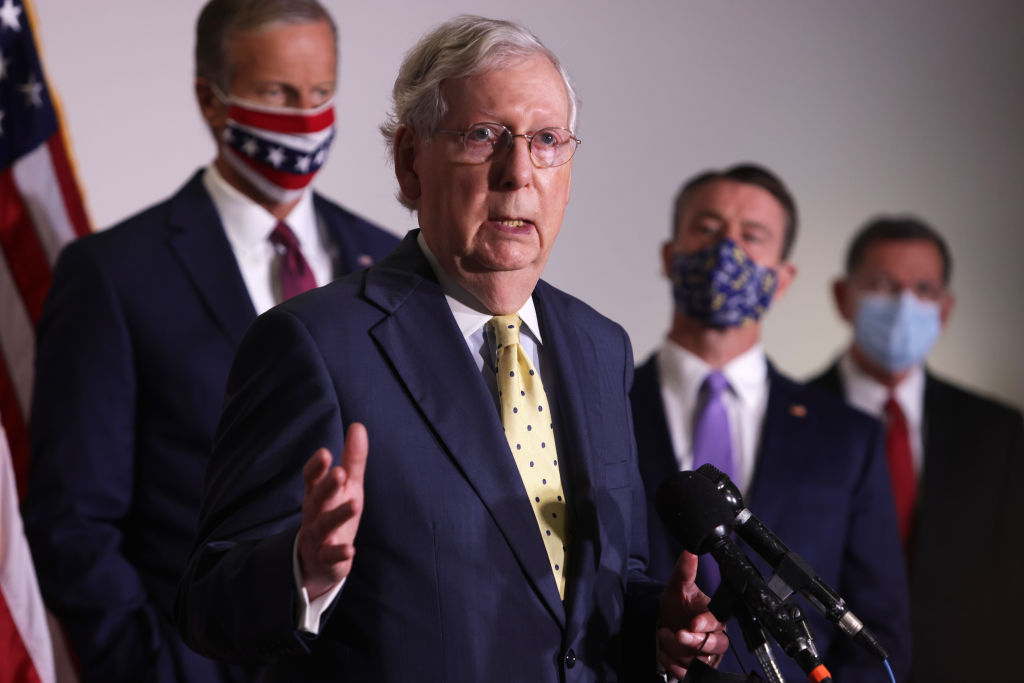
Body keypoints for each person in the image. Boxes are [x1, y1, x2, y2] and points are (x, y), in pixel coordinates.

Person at [176, 15, 727, 682]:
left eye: (547, 140)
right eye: (482, 136)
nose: (518, 173)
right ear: (412, 163)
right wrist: (303, 568)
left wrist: (659, 632)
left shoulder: (599, 345)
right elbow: (209, 603)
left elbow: (606, 589)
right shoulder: (316, 343)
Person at [21, 1, 398, 681]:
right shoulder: (113, 274)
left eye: (320, 93)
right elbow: (72, 523)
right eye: (278, 93)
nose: (306, 117)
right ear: (211, 100)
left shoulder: (392, 262)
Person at [630, 164, 912, 680]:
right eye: (708, 229)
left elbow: (881, 627)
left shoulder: (848, 437)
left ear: (783, 279)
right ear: (671, 256)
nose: (726, 250)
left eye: (751, 236)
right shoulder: (604, 406)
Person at [811, 216, 1024, 682]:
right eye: (884, 285)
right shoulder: (791, 420)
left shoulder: (1000, 434)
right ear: (842, 297)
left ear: (944, 310)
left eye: (923, 290)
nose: (905, 304)